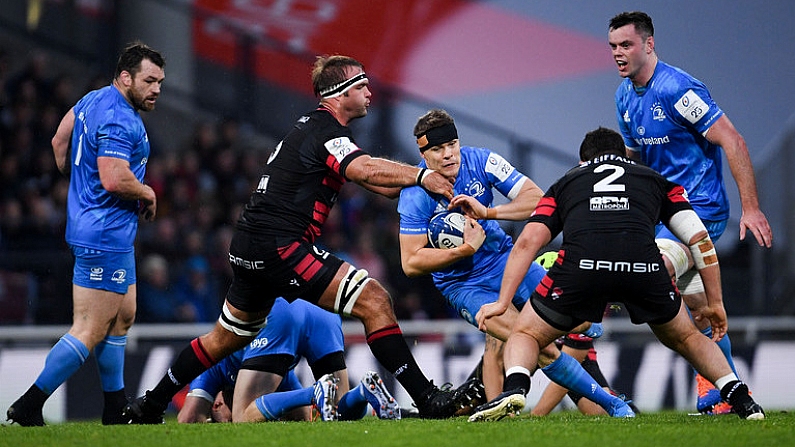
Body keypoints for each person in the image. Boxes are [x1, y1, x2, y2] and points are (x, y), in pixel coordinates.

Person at [124, 55, 462, 424]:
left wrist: (412, 186)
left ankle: (150, 404)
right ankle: (428, 399)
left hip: (248, 246)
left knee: (224, 339)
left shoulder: (316, 130)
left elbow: (369, 179)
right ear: (338, 93)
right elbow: (364, 168)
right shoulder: (327, 133)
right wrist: (421, 176)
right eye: (361, 85)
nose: (369, 92)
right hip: (280, 245)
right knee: (375, 300)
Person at [468, 127, 765, 422]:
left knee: (526, 332)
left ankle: (516, 387)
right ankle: (741, 398)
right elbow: (699, 239)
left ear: (584, 161)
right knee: (687, 337)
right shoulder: (656, 180)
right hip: (644, 268)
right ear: (625, 156)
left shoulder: (566, 182)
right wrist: (716, 303)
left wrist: (502, 302)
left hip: (581, 270)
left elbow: (527, 242)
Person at [396, 109, 634, 417]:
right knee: (540, 346)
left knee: (586, 319)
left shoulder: (481, 160)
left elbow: (538, 199)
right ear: (423, 154)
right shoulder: (415, 194)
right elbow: (411, 262)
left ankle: (502, 396)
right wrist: (464, 250)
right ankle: (614, 405)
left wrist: (489, 213)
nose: (448, 155)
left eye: (452, 144)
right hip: (464, 285)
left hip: (506, 261)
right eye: (437, 150)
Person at [608, 11, 773, 413]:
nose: (618, 54)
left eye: (626, 45)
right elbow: (634, 163)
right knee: (699, 310)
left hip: (701, 211)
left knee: (656, 266)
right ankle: (725, 392)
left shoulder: (678, 89)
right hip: (665, 216)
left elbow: (732, 141)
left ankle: (709, 385)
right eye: (613, 46)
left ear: (649, 44)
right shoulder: (624, 97)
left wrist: (750, 209)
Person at [5, 42, 165, 426]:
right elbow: (112, 178)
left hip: (108, 231)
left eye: (160, 81)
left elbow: (59, 141)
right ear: (126, 77)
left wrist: (76, 181)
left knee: (122, 317)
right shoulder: (119, 120)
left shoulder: (94, 99)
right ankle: (28, 405)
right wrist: (146, 191)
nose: (156, 89)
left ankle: (115, 409)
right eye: (149, 80)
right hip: (103, 235)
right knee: (90, 328)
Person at [177, 298, 400, 423]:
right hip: (321, 307)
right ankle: (364, 391)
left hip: (279, 309)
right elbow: (302, 420)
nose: (220, 422)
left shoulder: (210, 370)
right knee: (336, 409)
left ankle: (315, 391)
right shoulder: (279, 381)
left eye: (215, 420)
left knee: (243, 418)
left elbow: (187, 419)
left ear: (215, 404)